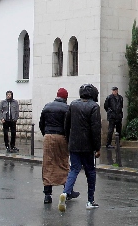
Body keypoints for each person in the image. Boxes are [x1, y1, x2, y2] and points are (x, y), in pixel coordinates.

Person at [59, 84, 101, 212]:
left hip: (74, 144)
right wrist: (97, 147)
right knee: (90, 172)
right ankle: (90, 201)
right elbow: (95, 129)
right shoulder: (94, 106)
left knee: (74, 169)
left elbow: (67, 124)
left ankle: (65, 193)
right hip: (88, 147)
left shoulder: (73, 104)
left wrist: (68, 139)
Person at [39, 87, 70, 204]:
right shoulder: (66, 108)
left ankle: (47, 194)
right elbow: (68, 126)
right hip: (61, 137)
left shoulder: (47, 106)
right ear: (65, 98)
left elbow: (41, 123)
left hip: (48, 136)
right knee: (63, 162)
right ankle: (67, 191)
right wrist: (68, 139)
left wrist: (46, 133)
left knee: (48, 164)